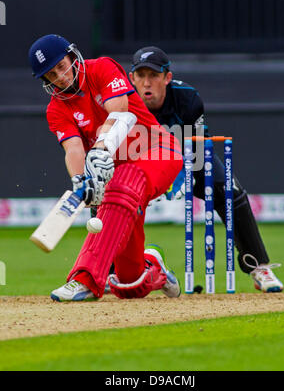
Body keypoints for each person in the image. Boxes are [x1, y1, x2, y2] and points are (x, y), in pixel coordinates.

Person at [28, 34, 183, 301]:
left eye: (61, 66)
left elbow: (121, 113)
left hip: (157, 150)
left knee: (121, 182)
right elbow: (74, 149)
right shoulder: (56, 110)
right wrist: (81, 181)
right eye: (51, 74)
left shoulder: (101, 68)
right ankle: (154, 268)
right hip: (118, 178)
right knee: (129, 284)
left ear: (72, 56)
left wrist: (100, 149)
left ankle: (84, 278)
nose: (60, 77)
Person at [129, 46, 284, 293]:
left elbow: (197, 151)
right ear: (132, 78)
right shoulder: (124, 101)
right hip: (141, 161)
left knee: (230, 192)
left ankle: (258, 266)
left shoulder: (188, 98)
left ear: (167, 77)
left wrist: (178, 177)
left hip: (193, 156)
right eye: (141, 75)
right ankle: (116, 271)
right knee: (114, 197)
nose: (147, 82)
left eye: (154, 76)